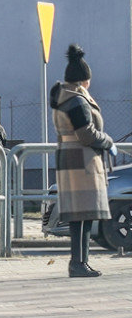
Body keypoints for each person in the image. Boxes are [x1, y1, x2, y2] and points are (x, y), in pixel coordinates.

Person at [50, 44, 114, 278]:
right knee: (82, 215)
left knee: (82, 214)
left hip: (71, 157)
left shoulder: (63, 97)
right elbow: (86, 133)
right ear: (83, 80)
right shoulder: (76, 100)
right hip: (82, 159)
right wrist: (107, 141)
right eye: (88, 81)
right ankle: (78, 263)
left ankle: (81, 261)